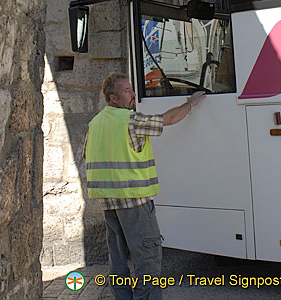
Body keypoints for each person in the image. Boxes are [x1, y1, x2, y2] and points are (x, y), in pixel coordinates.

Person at [84, 73, 205, 300]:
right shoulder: (130, 121)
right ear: (113, 98)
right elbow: (167, 119)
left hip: (109, 204)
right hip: (135, 202)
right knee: (146, 259)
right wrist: (190, 104)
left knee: (118, 260)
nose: (133, 94)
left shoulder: (95, 124)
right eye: (127, 91)